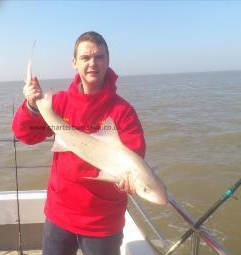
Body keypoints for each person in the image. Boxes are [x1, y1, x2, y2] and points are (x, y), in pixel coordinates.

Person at [12, 31, 145, 255]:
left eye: (99, 57)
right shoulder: (60, 103)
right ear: (74, 63)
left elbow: (135, 155)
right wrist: (32, 106)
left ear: (108, 61)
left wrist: (127, 181)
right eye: (85, 58)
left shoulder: (123, 112)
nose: (92, 63)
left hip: (102, 222)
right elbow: (26, 135)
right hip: (59, 215)